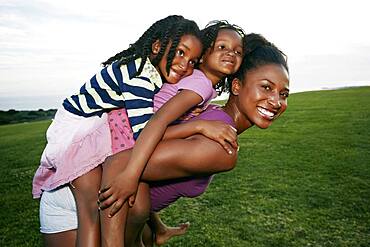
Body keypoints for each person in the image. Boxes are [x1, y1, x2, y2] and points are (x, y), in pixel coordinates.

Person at [32, 15, 211, 247]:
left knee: (104, 204)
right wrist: (195, 127)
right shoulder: (140, 78)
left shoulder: (143, 67)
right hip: (78, 127)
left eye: (192, 61)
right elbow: (144, 132)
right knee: (92, 213)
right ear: (157, 46)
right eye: (180, 53)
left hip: (84, 122)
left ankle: (156, 230)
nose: (185, 65)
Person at [100, 32, 290, 246]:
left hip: (123, 219)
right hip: (93, 212)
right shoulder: (221, 146)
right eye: (266, 87)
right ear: (236, 86)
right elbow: (118, 163)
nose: (276, 101)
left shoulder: (207, 113)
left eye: (284, 94)